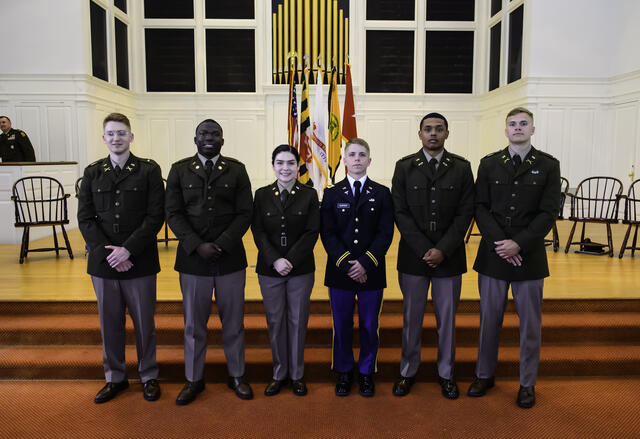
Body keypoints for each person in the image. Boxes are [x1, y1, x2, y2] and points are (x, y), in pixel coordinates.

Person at [468, 107, 561, 408]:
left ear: (533, 129)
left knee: (530, 324)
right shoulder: (489, 163)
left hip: (529, 256)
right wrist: (501, 244)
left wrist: (518, 244)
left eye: (524, 124)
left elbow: (548, 212)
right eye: (512, 124)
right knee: (489, 321)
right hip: (494, 255)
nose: (518, 128)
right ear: (505, 130)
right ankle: (484, 375)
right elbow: (480, 207)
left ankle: (527, 383)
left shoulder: (548, 165)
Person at [77, 112, 164, 404]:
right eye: (111, 133)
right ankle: (115, 378)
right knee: (110, 323)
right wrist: (110, 254)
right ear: (104, 138)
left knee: (144, 323)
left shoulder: (149, 170)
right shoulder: (92, 173)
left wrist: (128, 250)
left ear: (131, 137)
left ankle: (149, 376)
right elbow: (86, 219)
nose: (116, 138)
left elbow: (155, 216)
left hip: (139, 260)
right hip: (103, 264)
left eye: (121, 133)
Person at [166, 119, 254, 405]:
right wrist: (196, 245)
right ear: (195, 139)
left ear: (222, 141)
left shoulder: (237, 170)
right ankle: (193, 379)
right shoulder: (179, 170)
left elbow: (245, 213)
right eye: (204, 133)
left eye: (215, 134)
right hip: (193, 261)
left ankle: (237, 375)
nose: (209, 138)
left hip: (230, 260)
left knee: (234, 323)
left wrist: (223, 243)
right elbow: (173, 213)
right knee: (194, 325)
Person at [391, 113, 474, 399]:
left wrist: (443, 249)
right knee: (411, 318)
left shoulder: (462, 168)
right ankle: (407, 372)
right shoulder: (404, 167)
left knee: (447, 320)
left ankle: (446, 374)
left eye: (439, 129)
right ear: (420, 134)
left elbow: (466, 212)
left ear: (447, 134)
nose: (433, 134)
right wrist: (424, 248)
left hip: (449, 257)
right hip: (414, 257)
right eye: (428, 129)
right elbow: (399, 212)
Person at [320, 138, 394, 397]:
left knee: (368, 325)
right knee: (341, 325)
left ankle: (365, 372)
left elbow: (385, 233)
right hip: (340, 272)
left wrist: (365, 263)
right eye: (352, 154)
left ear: (369, 160)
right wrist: (346, 263)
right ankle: (344, 371)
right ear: (345, 160)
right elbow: (327, 233)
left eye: (362, 154)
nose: (357, 159)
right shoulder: (331, 193)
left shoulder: (382, 193)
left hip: (371, 273)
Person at [251, 144, 320, 397]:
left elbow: (312, 231)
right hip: (269, 270)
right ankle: (279, 374)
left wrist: (289, 259)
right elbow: (257, 231)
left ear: (298, 166)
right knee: (276, 322)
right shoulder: (260, 194)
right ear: (273, 166)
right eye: (280, 163)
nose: (285, 168)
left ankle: (297, 375)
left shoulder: (309, 194)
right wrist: (275, 260)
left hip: (300, 269)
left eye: (290, 163)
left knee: (298, 321)